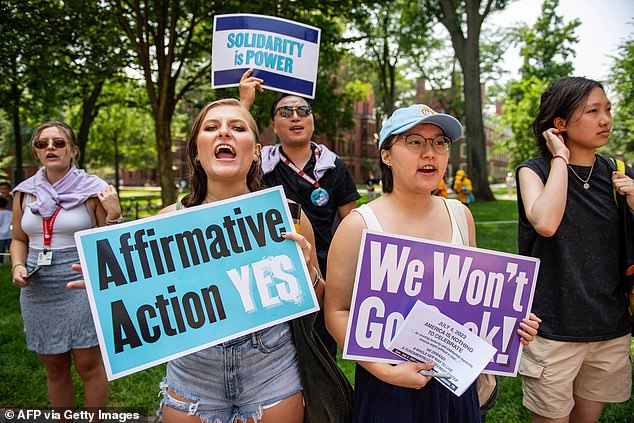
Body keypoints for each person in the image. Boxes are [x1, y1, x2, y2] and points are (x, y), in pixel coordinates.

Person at [325, 104, 540, 422]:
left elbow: (477, 302)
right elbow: (337, 312)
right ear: (387, 155)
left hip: (455, 385)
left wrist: (511, 324)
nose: (430, 152)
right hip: (388, 387)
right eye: (415, 141)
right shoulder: (359, 225)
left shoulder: (460, 216)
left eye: (440, 142)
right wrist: (386, 371)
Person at [157, 98, 352, 423]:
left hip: (272, 365)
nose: (224, 133)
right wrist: (108, 290)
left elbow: (319, 301)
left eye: (237, 127)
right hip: (193, 369)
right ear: (195, 150)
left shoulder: (289, 215)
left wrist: (309, 275)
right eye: (211, 127)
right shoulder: (167, 222)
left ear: (257, 151)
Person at [516, 76, 634, 423]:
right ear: (560, 123)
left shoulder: (618, 174)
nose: (605, 120)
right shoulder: (533, 171)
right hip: (552, 328)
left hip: (608, 327)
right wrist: (560, 158)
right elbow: (546, 222)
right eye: (593, 111)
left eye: (608, 110)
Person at [240, 69, 360, 358]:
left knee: (319, 359)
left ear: (312, 120)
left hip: (320, 279)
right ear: (273, 125)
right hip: (270, 279)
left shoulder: (334, 166)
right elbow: (231, 147)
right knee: (275, 356)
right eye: (285, 111)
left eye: (302, 110)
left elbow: (353, 227)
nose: (295, 116)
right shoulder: (258, 165)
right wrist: (244, 105)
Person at [10, 121, 122, 412]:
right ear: (36, 152)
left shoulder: (94, 190)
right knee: (54, 366)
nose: (50, 148)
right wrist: (17, 266)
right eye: (42, 143)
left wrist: (114, 215)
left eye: (58, 143)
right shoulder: (24, 193)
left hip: (79, 280)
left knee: (88, 364)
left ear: (73, 150)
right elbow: (19, 239)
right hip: (37, 285)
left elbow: (109, 240)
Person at [0, 196, 10, 263]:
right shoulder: (10, 213)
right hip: (10, 234)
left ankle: (1, 263)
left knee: (1, 251)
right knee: (11, 250)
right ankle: (12, 262)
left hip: (0, 235)